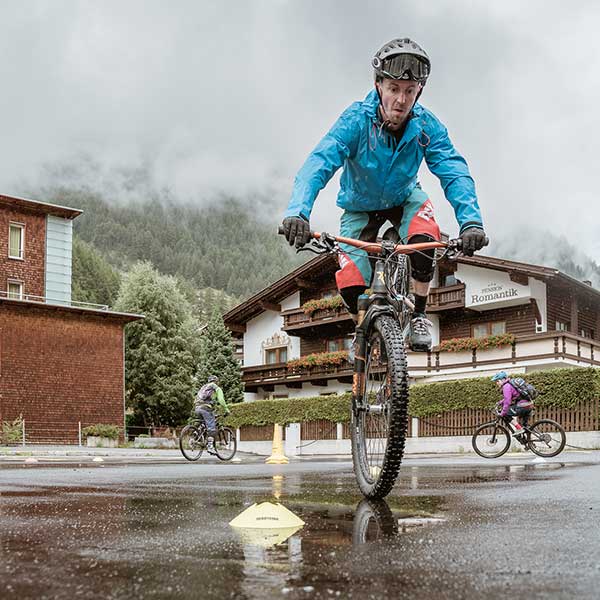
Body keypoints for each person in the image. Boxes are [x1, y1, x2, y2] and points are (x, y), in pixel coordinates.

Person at [282, 38, 486, 351]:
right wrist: (298, 212)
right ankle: (360, 330)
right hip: (359, 209)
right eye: (393, 88)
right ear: (378, 85)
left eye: (409, 90)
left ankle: (419, 314)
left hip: (405, 199)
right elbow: (318, 163)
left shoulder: (426, 126)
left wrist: (471, 222)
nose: (401, 100)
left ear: (419, 91)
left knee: (424, 238)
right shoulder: (355, 121)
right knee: (351, 281)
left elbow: (454, 171)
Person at [194, 375, 230, 452]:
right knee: (211, 427)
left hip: (197, 408)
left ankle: (195, 435)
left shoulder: (204, 387)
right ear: (216, 381)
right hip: (205, 408)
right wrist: (226, 410)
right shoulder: (216, 387)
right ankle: (210, 446)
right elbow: (221, 400)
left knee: (204, 423)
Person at [491, 371, 533, 436]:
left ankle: (519, 428)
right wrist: (500, 402)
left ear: (503, 379)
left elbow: (507, 402)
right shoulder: (510, 384)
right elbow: (508, 398)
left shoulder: (506, 386)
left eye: (497, 381)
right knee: (526, 428)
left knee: (506, 414)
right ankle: (529, 442)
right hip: (529, 404)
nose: (497, 383)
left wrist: (502, 413)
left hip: (523, 405)